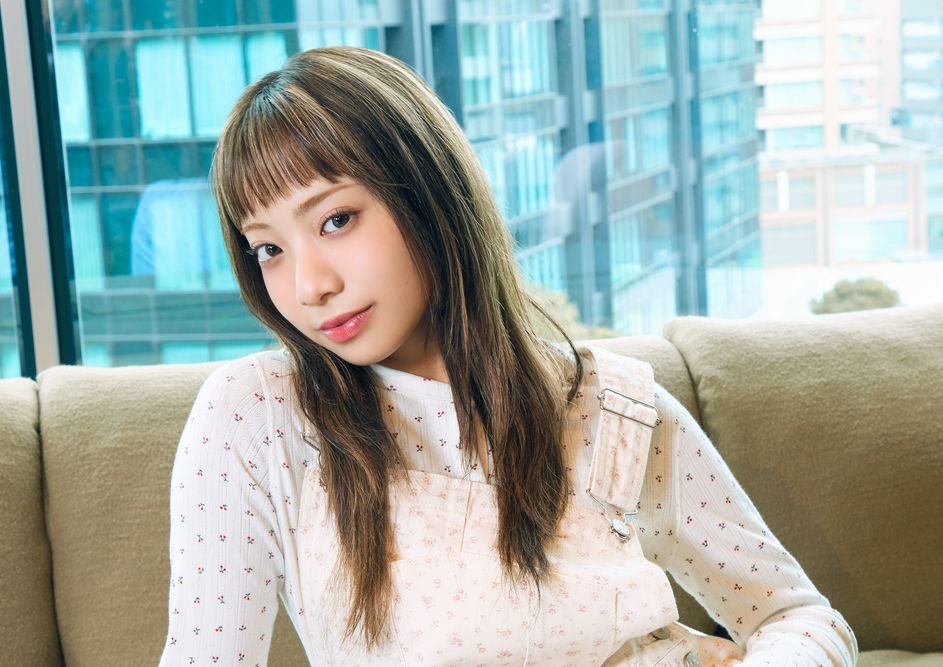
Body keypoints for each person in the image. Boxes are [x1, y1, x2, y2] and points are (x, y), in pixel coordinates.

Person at [159, 46, 858, 666]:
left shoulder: (611, 408)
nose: (309, 285)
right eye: (269, 249)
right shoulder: (258, 417)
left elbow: (797, 617)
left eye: (336, 219)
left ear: (428, 193)